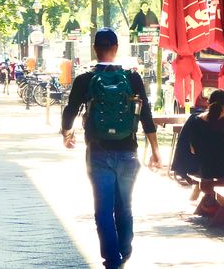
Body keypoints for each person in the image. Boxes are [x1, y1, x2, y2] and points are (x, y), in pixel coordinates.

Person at [62, 29, 161, 269]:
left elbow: (70, 109)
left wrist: (67, 133)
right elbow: (146, 115)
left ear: (95, 49)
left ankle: (112, 260)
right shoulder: (132, 78)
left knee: (103, 209)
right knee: (124, 205)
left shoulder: (85, 78)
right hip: (129, 151)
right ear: (116, 48)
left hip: (97, 152)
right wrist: (156, 150)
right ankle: (125, 249)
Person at [191, 89, 224, 179]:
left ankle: (209, 192)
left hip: (203, 169)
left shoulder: (196, 121)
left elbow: (193, 150)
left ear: (208, 103)